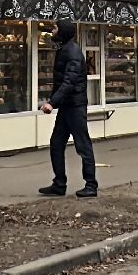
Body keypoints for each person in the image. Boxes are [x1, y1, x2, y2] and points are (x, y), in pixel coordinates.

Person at [38, 19, 98, 198]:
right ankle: (59, 183)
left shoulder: (72, 52)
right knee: (56, 143)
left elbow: (69, 82)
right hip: (67, 106)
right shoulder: (64, 49)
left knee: (83, 145)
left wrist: (52, 102)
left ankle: (91, 185)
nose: (52, 30)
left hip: (75, 107)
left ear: (62, 31)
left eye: (55, 28)